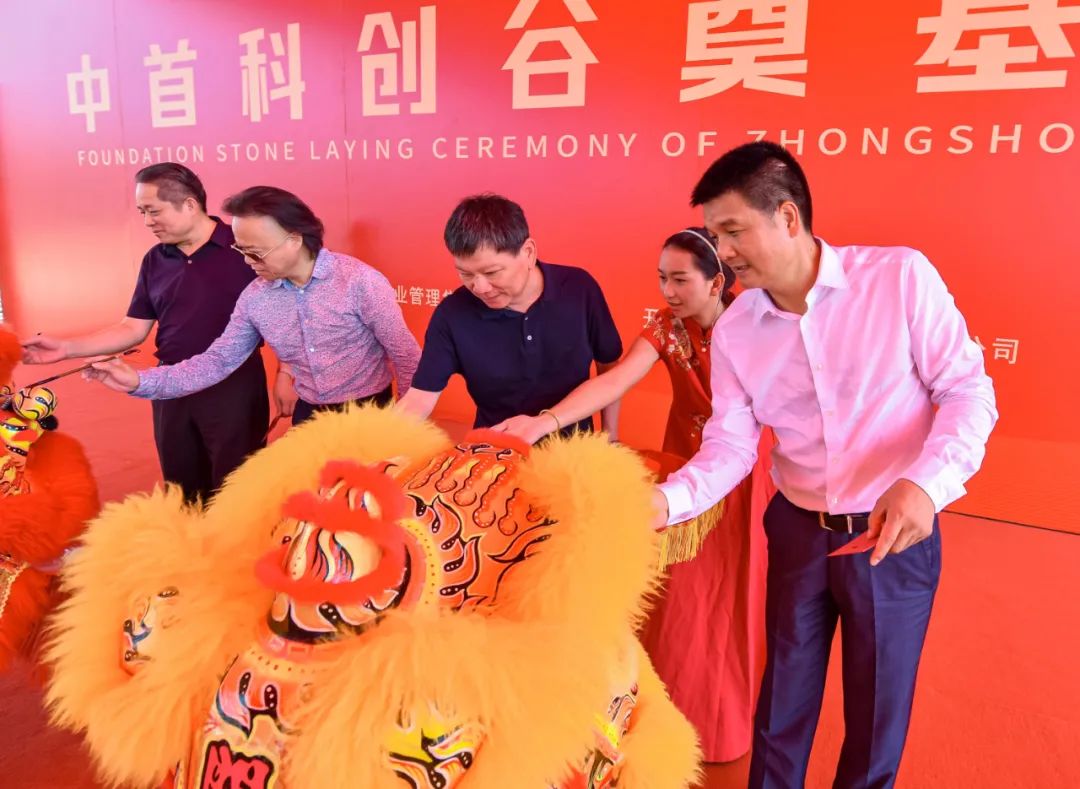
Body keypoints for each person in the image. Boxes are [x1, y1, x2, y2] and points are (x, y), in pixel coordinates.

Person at [652, 141, 998, 788]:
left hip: (891, 534)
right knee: (781, 701)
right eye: (714, 235)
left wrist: (926, 485)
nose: (722, 252)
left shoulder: (898, 279)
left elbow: (966, 391)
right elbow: (731, 444)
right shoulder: (737, 329)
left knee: (876, 715)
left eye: (733, 231)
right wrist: (665, 502)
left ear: (787, 216)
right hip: (798, 530)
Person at [491, 227, 773, 762]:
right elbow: (615, 380)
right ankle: (660, 713)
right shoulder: (667, 327)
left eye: (680, 280)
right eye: (661, 278)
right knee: (676, 596)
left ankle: (724, 719)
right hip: (680, 472)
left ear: (717, 283)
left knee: (732, 593)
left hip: (742, 475)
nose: (667, 290)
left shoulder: (756, 325)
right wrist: (546, 421)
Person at [21, 163, 272, 503]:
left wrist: (287, 373)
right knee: (182, 492)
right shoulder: (156, 259)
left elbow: (286, 312)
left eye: (153, 211)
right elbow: (133, 327)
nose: (147, 221)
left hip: (234, 386)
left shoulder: (242, 247)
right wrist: (66, 348)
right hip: (168, 387)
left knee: (239, 491)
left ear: (189, 204)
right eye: (142, 212)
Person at [82, 186, 420, 428]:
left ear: (294, 240)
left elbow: (406, 356)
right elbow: (217, 361)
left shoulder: (359, 282)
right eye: (241, 250)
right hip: (309, 415)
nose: (247, 261)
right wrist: (138, 381)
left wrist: (405, 427)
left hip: (369, 412)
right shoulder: (256, 297)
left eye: (256, 252)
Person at [396, 194, 623, 435]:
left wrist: (610, 437)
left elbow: (609, 368)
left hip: (574, 448)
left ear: (528, 252)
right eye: (466, 274)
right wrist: (380, 440)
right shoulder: (452, 314)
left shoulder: (579, 289)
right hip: (493, 449)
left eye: (492, 272)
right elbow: (419, 397)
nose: (479, 287)